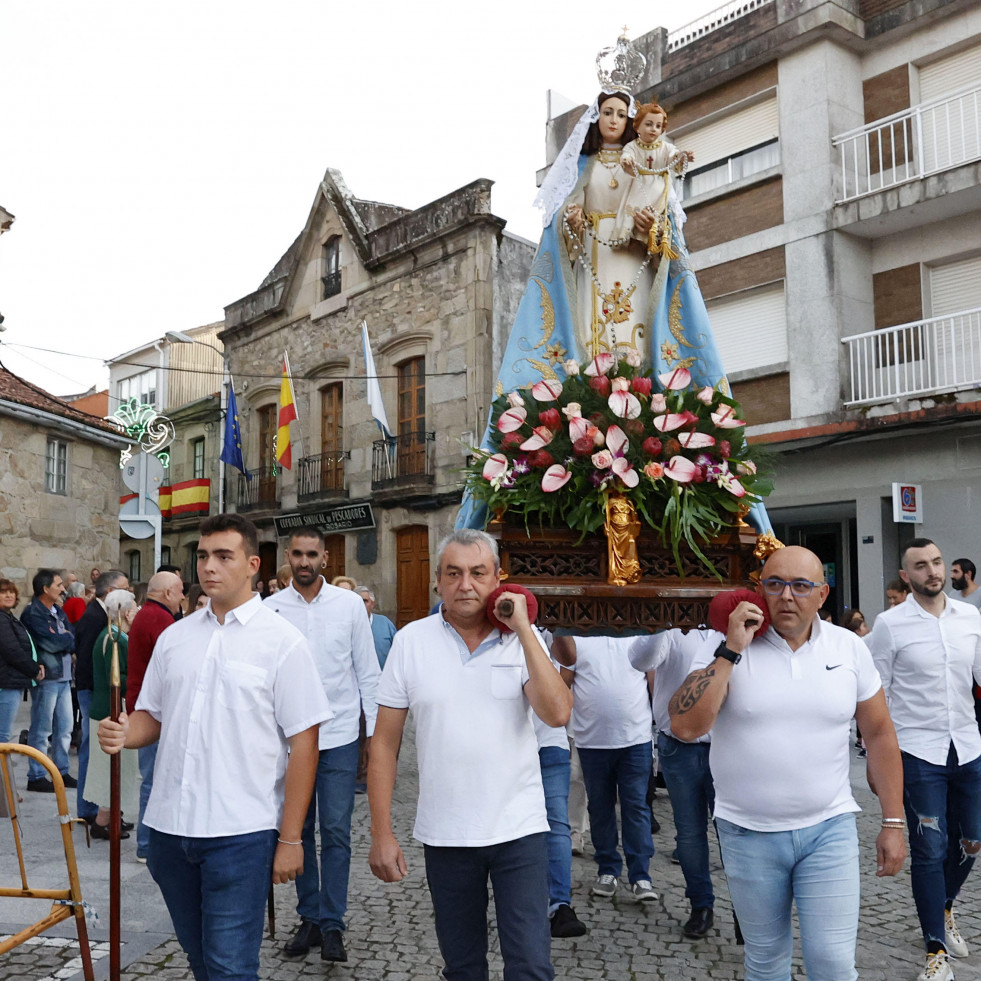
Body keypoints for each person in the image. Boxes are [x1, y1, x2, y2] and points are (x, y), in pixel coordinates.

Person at [98, 513, 330, 981]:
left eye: (223, 556)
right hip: (168, 829)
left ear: (251, 565)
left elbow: (305, 744)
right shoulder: (175, 639)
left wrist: (290, 839)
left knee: (229, 967)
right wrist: (126, 732)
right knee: (201, 960)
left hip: (240, 833)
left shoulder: (283, 643)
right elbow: (153, 717)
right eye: (203, 556)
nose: (209, 567)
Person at [669, 545, 906, 981]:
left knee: (833, 965)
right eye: (774, 584)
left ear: (822, 594)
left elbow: (879, 733)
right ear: (759, 590)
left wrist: (893, 821)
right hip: (748, 833)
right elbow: (685, 725)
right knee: (766, 962)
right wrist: (732, 648)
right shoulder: (727, 644)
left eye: (801, 586)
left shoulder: (848, 647)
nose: (786, 596)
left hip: (828, 830)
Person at [368, 529, 572, 981]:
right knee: (462, 968)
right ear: (437, 581)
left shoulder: (524, 639)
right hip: (447, 835)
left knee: (532, 967)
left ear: (498, 578)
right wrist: (381, 832)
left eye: (479, 573)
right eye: (454, 573)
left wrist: (521, 628)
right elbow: (384, 742)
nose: (466, 585)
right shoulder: (410, 641)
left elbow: (557, 714)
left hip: (519, 830)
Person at [266, 527, 380, 964]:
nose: (304, 561)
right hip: (291, 740)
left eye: (311, 554)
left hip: (338, 736)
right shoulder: (272, 609)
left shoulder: (350, 606)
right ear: (288, 558)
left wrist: (372, 739)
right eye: (297, 554)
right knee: (297, 830)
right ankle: (309, 915)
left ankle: (333, 922)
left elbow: (366, 672)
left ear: (326, 558)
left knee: (335, 830)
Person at [869, 539, 981, 981]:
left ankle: (943, 905)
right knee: (929, 849)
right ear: (906, 575)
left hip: (968, 746)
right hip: (916, 752)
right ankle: (935, 950)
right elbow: (875, 695)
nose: (933, 571)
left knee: (972, 840)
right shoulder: (889, 625)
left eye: (937, 562)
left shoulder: (971, 618)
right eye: (922, 566)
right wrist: (877, 761)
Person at [629, 627, 720, 939]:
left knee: (736, 833)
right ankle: (701, 904)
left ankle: (746, 910)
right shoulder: (676, 628)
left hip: (728, 745)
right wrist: (659, 622)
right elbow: (641, 660)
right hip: (680, 744)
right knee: (690, 834)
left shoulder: (732, 624)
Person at [553, 634, 657, 903]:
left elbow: (652, 680)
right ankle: (608, 869)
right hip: (592, 739)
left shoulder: (640, 633)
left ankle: (641, 875)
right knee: (600, 806)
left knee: (636, 806)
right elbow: (565, 680)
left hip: (635, 738)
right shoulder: (575, 634)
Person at [126, 571, 183, 862]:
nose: (183, 597)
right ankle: (147, 845)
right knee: (155, 778)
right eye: (181, 591)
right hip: (152, 711)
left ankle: (149, 844)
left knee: (152, 776)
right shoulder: (159, 619)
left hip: (143, 705)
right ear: (168, 593)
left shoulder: (146, 615)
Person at [73, 569, 131, 823]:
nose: (130, 592)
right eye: (125, 588)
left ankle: (103, 812)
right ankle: (91, 812)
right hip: (94, 692)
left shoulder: (100, 616)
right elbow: (89, 658)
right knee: (95, 755)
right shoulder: (96, 618)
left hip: (95, 691)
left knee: (100, 756)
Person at [85, 590, 139, 840]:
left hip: (105, 709)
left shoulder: (108, 635)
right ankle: (103, 821)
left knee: (115, 767)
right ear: (127, 612)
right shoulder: (117, 638)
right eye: (135, 607)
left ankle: (113, 816)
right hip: (110, 711)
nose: (137, 611)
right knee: (112, 768)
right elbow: (117, 679)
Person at [20, 570, 76, 793]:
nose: (63, 589)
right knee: (42, 729)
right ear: (45, 589)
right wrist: (65, 639)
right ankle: (36, 775)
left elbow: (71, 635)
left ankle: (60, 771)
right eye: (58, 585)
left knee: (65, 728)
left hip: (63, 677)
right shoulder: (33, 613)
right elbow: (51, 643)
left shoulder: (58, 611)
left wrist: (64, 639)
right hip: (48, 678)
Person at [616, 100, 693, 257]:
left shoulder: (665, 147)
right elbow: (627, 153)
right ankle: (625, 234)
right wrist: (627, 159)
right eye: (649, 124)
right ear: (637, 127)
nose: (653, 129)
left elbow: (673, 157)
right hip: (639, 184)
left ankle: (652, 236)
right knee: (633, 210)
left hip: (658, 187)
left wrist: (682, 156)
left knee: (656, 214)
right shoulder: (634, 146)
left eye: (658, 126)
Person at [0, 578, 43, 743]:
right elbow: (12, 650)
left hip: (10, 681)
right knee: (3, 735)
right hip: (6, 683)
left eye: (11, 592)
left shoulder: (8, 617)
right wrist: (34, 670)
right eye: (3, 592)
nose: (8, 595)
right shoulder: (2, 619)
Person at [354, 585, 397, 670]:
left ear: (372, 604)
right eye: (358, 601)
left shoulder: (385, 623)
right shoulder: (347, 625)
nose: (361, 605)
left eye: (365, 601)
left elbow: (398, 651)